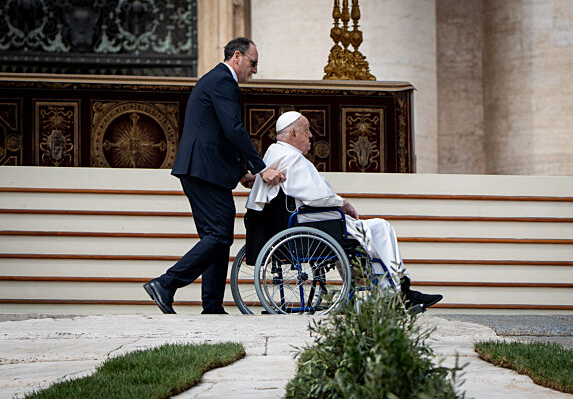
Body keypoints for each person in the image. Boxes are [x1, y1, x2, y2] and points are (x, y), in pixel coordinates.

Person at [143, 37, 285, 314]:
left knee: (216, 236)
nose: (254, 71)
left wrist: (242, 172)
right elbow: (233, 130)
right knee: (219, 236)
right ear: (237, 57)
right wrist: (260, 168)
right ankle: (165, 283)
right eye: (253, 63)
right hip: (203, 171)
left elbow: (220, 135)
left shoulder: (218, 80)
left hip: (205, 170)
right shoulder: (223, 81)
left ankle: (211, 305)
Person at [246, 111, 443, 310]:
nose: (311, 136)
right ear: (294, 134)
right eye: (307, 131)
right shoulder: (292, 158)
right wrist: (342, 202)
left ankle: (394, 293)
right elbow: (317, 197)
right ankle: (398, 291)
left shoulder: (275, 152)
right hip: (312, 222)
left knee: (368, 234)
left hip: (306, 222)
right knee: (381, 227)